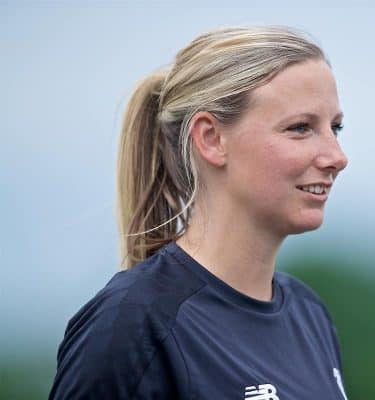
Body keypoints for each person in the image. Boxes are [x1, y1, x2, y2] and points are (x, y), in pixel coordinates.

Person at [49, 25, 349, 399]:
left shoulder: (308, 315)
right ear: (211, 138)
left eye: (335, 127)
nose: (337, 157)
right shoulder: (132, 327)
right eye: (300, 128)